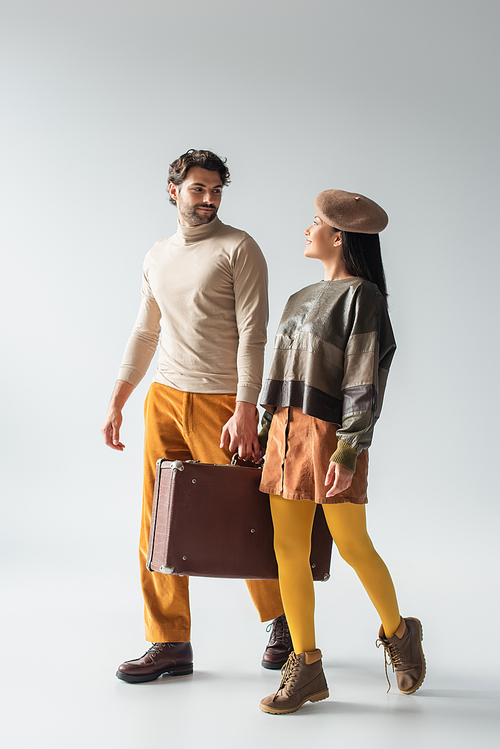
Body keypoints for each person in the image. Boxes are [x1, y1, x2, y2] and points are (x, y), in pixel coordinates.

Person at [101, 149, 291, 683]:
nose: (208, 200)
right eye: (198, 189)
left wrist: (245, 408)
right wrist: (118, 398)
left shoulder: (239, 248)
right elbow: (145, 331)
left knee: (245, 515)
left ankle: (285, 623)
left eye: (216, 191)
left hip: (223, 403)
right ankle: (168, 642)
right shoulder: (158, 255)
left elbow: (255, 335)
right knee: (157, 520)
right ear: (173, 189)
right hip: (163, 397)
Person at [257, 189, 426, 714]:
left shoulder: (364, 297)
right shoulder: (297, 297)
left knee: (352, 543)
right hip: (284, 433)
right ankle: (305, 666)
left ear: (339, 236)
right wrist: (264, 429)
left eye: (315, 224)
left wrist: (349, 450)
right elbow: (280, 372)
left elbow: (362, 380)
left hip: (331, 434)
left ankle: (400, 634)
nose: (306, 231)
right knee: (287, 550)